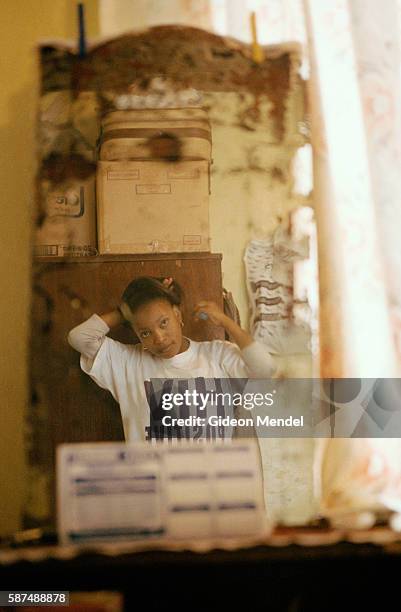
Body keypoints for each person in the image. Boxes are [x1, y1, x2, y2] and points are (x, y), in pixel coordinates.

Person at [68, 276, 276, 441]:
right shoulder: (126, 362)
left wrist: (225, 322)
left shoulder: (216, 354)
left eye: (164, 322)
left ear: (177, 315)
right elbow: (79, 337)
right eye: (145, 332)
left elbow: (265, 368)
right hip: (153, 490)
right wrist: (126, 310)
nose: (159, 338)